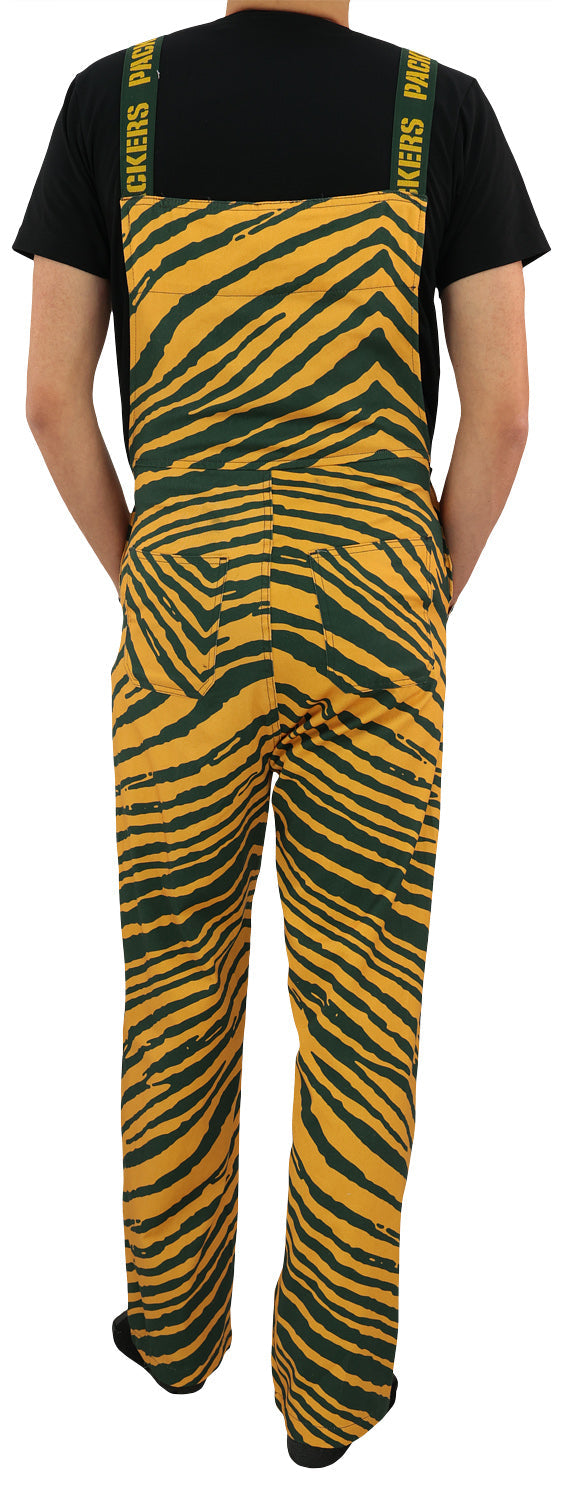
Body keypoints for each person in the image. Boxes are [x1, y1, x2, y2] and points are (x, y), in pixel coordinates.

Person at [12, 0, 550, 1471]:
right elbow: (503, 416)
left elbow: (51, 402)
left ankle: (174, 1330)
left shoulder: (109, 102)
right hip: (376, 592)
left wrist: (149, 575)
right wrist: (415, 594)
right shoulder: (441, 110)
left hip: (183, 588)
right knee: (365, 1002)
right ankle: (334, 1390)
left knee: (175, 974)